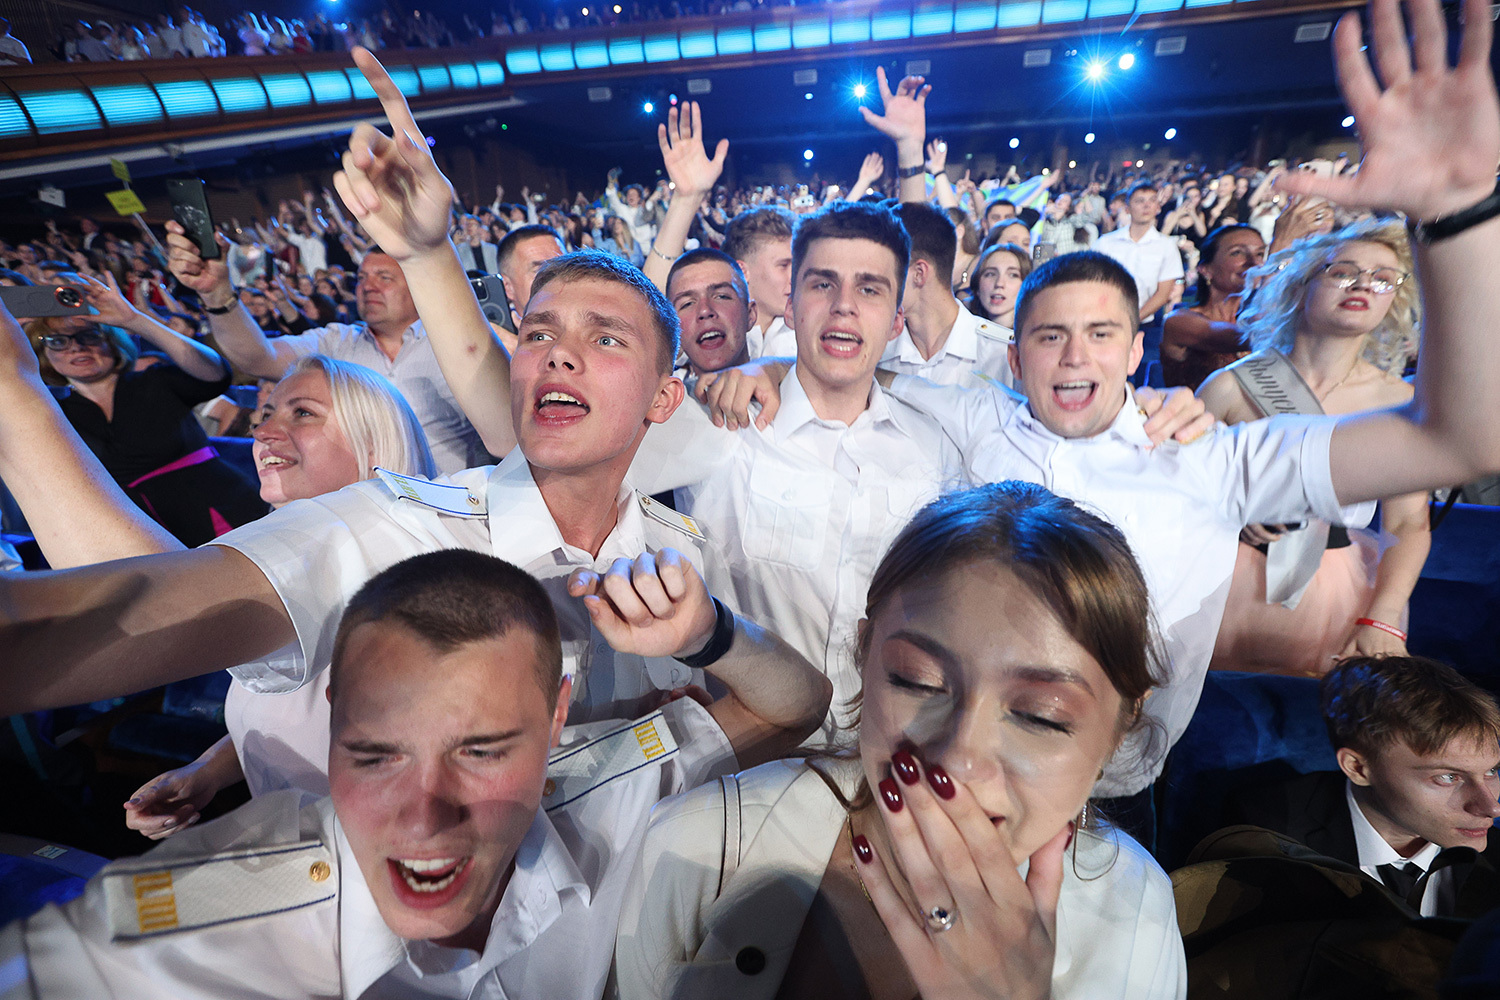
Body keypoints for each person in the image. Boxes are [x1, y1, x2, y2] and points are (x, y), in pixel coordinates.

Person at [3, 545, 829, 999]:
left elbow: (789, 710)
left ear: (556, 718)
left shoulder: (604, 782)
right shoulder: (209, 919)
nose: (425, 816)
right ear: (336, 717)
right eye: (377, 755)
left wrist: (710, 633)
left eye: (481, 751)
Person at [616, 483, 1185, 999]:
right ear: (866, 659)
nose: (957, 758)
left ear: (1120, 727)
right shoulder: (697, 845)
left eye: (1042, 716)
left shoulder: (1138, 922)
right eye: (919, 682)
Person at [1199, 218, 1429, 675]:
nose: (1363, 284)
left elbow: (1407, 523)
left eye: (1383, 279)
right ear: (1301, 285)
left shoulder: (1402, 403)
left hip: (1336, 593)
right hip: (1214, 577)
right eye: (1343, 271)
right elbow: (1173, 494)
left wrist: (1383, 617)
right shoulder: (1229, 387)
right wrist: (1231, 512)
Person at [166, 225, 488, 474]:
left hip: (453, 508)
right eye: (362, 277)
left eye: (384, 277)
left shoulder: (451, 342)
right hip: (367, 511)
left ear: (416, 286)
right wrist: (217, 293)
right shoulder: (337, 343)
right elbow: (258, 357)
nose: (368, 286)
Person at [1226, 655, 1500, 918]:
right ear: (1357, 768)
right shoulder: (1268, 834)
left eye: (1491, 771)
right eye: (1447, 777)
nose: (1492, 807)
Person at [34, 272, 267, 546]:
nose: (76, 348)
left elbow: (215, 374)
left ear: (111, 340)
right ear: (44, 354)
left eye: (89, 336)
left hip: (217, 507)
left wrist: (133, 319)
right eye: (58, 342)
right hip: (135, 531)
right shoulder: (54, 412)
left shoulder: (155, 381)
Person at [877, 202, 1014, 390]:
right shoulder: (878, 353)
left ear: (919, 274)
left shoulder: (1003, 354)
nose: (873, 285)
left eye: (882, 270)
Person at [1094, 181, 1185, 376]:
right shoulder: (1106, 243)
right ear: (1127, 208)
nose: (1146, 206)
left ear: (1158, 207)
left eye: (1152, 201)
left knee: (1139, 377)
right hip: (1106, 319)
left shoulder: (1166, 246)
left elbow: (1164, 292)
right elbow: (1093, 284)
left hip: (1145, 325)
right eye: (1140, 201)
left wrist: (1134, 318)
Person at [1160, 224, 1266, 390]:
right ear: (1206, 270)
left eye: (1259, 254)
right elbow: (1245, 336)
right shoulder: (1178, 321)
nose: (1254, 262)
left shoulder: (1254, 318)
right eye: (1237, 252)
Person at [722, 206, 796, 358]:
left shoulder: (808, 335)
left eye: (797, 265)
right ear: (742, 271)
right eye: (783, 265)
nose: (795, 277)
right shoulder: (713, 334)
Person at [965, 241, 1031, 333]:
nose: (999, 283)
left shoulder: (1032, 336)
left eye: (1013, 275)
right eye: (990, 274)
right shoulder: (962, 329)